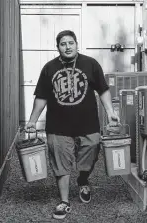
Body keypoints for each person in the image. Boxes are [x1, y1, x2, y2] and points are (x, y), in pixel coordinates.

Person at [25, 30, 119, 220]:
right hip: (58, 126)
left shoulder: (91, 64)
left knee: (92, 148)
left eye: (70, 43)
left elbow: (103, 90)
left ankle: (83, 179)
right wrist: (32, 120)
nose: (67, 47)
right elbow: (41, 97)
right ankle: (64, 201)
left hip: (88, 124)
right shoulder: (49, 68)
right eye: (63, 44)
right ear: (57, 47)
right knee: (61, 162)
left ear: (77, 44)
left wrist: (110, 112)